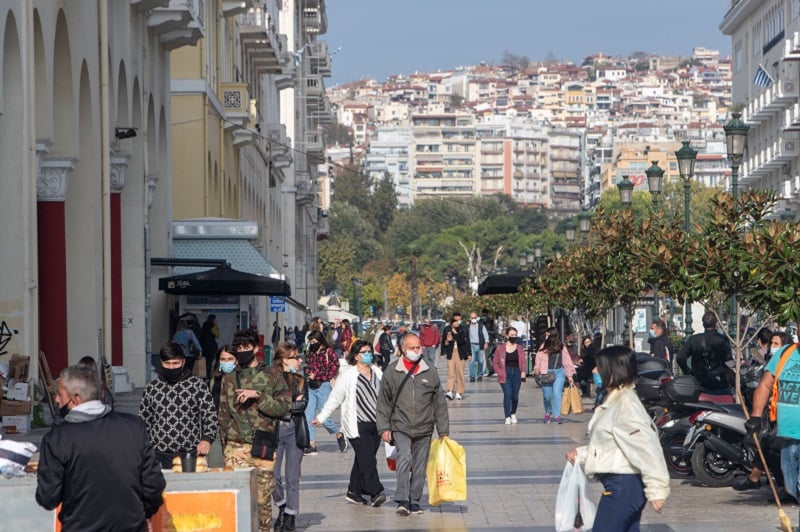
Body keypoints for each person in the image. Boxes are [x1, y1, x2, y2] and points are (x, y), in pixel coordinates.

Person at [36, 365, 166, 531]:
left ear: (75, 399)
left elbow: (48, 497)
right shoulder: (133, 427)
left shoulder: (57, 439)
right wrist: (142, 514)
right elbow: (153, 485)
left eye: (60, 394)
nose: (56, 400)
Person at [566, 346, 669, 531]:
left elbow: (646, 446)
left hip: (624, 487)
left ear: (613, 371)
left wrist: (657, 488)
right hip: (621, 485)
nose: (594, 371)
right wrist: (581, 455)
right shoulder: (614, 401)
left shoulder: (625, 403)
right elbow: (611, 444)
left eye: (599, 367)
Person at [218, 330, 292, 530]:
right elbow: (223, 415)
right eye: (239, 348)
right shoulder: (229, 379)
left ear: (256, 349)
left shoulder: (272, 375)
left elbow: (283, 408)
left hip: (263, 445)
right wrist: (224, 449)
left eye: (246, 347)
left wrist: (258, 396)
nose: (242, 351)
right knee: (237, 497)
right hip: (236, 446)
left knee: (262, 499)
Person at [376, 332, 449, 516]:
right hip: (400, 426)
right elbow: (383, 401)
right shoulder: (392, 371)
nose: (416, 351)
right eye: (412, 348)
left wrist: (443, 430)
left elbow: (439, 402)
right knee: (404, 459)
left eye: (418, 347)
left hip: (424, 427)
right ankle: (402, 499)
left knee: (419, 466)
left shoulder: (429, 371)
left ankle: (414, 500)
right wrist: (384, 427)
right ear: (403, 349)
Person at [314, 340, 387, 507]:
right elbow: (335, 398)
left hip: (376, 424)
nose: (368, 355)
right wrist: (322, 417)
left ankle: (354, 491)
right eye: (364, 352)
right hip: (357, 424)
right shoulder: (348, 376)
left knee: (364, 458)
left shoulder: (377, 372)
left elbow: (386, 395)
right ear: (356, 356)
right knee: (368, 460)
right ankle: (376, 492)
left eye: (369, 352)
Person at [138, 342, 218, 469]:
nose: (171, 367)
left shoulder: (197, 386)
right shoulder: (152, 388)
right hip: (158, 455)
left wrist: (207, 439)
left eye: (175, 363)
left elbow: (210, 416)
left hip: (190, 454)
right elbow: (144, 421)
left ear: (183, 362)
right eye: (167, 363)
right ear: (161, 362)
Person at [733, 330, 793, 492]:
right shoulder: (770, 360)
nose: (772, 346)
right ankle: (779, 484)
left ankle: (778, 484)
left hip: (786, 416)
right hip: (773, 415)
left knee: (772, 446)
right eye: (772, 343)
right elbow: (764, 384)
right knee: (769, 445)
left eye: (776, 344)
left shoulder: (789, 360)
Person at [271, 343, 307, 532]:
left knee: (292, 476)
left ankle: (291, 515)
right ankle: (282, 505)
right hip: (274, 431)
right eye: (295, 357)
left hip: (294, 429)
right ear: (284, 360)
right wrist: (291, 403)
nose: (299, 360)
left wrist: (280, 406)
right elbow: (267, 405)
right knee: (272, 475)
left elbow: (303, 405)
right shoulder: (270, 379)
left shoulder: (300, 380)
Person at [304, 330, 346, 455]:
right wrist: (308, 374)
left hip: (323, 386)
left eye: (314, 341)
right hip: (311, 386)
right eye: (311, 342)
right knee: (308, 415)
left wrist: (318, 375)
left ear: (320, 340)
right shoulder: (311, 352)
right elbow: (309, 366)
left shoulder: (329, 352)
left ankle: (338, 433)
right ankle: (311, 443)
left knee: (324, 416)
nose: (312, 344)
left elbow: (334, 367)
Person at [676, 311, 733, 393]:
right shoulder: (722, 340)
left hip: (699, 382)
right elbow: (729, 361)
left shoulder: (693, 339)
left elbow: (680, 357)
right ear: (716, 324)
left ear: (703, 324)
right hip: (719, 382)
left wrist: (688, 371)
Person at [533, 333, 576, 424]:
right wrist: (537, 368)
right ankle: (548, 412)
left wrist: (569, 376)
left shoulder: (562, 347)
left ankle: (557, 415)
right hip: (546, 372)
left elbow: (567, 361)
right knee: (547, 396)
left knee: (557, 393)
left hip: (559, 372)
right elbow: (538, 358)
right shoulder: (544, 346)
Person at [492, 326, 526, 424]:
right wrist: (499, 372)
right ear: (507, 336)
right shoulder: (500, 348)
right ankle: (507, 416)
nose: (513, 337)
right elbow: (495, 362)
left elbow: (523, 361)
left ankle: (513, 413)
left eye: (515, 335)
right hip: (505, 373)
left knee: (515, 396)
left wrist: (523, 371)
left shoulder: (519, 348)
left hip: (516, 373)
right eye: (511, 335)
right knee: (508, 393)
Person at [441, 313, 470, 400]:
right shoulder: (447, 329)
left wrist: (469, 353)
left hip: (461, 353)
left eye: (459, 320)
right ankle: (449, 390)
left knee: (459, 373)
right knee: (451, 372)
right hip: (451, 352)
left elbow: (464, 341)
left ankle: (459, 392)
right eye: (456, 321)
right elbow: (443, 342)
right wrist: (442, 352)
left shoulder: (463, 329)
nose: (457, 322)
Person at [467, 311, 490, 382]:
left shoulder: (481, 326)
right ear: (470, 318)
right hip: (471, 345)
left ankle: (479, 375)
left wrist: (486, 342)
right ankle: (472, 376)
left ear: (477, 318)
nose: (473, 319)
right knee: (471, 361)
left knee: (480, 361)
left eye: (475, 317)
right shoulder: (468, 327)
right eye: (472, 318)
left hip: (480, 345)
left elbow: (486, 335)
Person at [199, 314, 220, 378]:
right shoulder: (212, 326)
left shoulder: (204, 326)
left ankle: (204, 375)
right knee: (209, 362)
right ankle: (208, 375)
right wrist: (215, 326)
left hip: (204, 347)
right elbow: (217, 335)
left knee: (204, 362)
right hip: (211, 347)